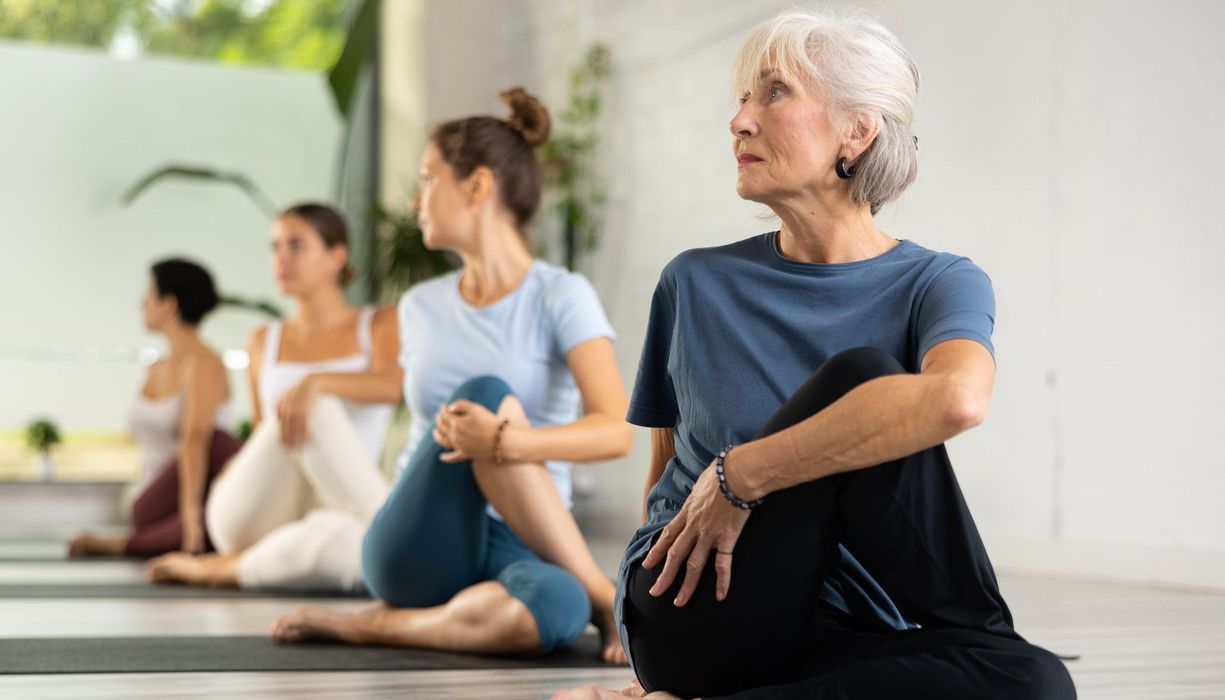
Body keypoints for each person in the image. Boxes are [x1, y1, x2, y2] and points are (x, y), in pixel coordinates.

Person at [557, 9, 1076, 700]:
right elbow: (664, 472)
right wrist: (636, 622)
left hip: (845, 625)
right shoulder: (693, 282)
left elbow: (957, 398)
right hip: (695, 600)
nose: (739, 120)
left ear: (856, 131)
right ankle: (971, 640)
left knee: (1033, 683)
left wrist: (741, 473)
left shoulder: (939, 282)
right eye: (741, 99)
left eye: (772, 93)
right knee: (863, 378)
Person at [269, 88, 632, 664]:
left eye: (428, 178)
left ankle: (376, 627)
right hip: (418, 540)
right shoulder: (419, 306)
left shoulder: (561, 296)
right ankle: (604, 594)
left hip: (525, 537)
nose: (417, 199)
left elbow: (616, 430)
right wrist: (489, 432)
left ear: (478, 186)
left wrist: (507, 443)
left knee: (553, 611)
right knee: (482, 396)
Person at [146, 203, 401, 593]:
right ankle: (399, 537)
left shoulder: (380, 324)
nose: (282, 259)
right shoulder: (265, 340)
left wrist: (316, 380)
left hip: (336, 511)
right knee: (315, 409)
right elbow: (267, 437)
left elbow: (392, 386)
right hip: (255, 510)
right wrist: (312, 390)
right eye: (275, 247)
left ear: (338, 255)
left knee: (349, 548)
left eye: (296, 246)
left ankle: (230, 569)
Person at [69, 259, 238, 558]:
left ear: (169, 304)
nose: (141, 303)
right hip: (151, 504)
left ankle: (145, 539)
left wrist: (190, 512)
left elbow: (195, 438)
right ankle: (154, 538)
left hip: (190, 498)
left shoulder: (205, 363)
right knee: (222, 444)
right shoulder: (155, 367)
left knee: (218, 443)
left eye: (149, 294)